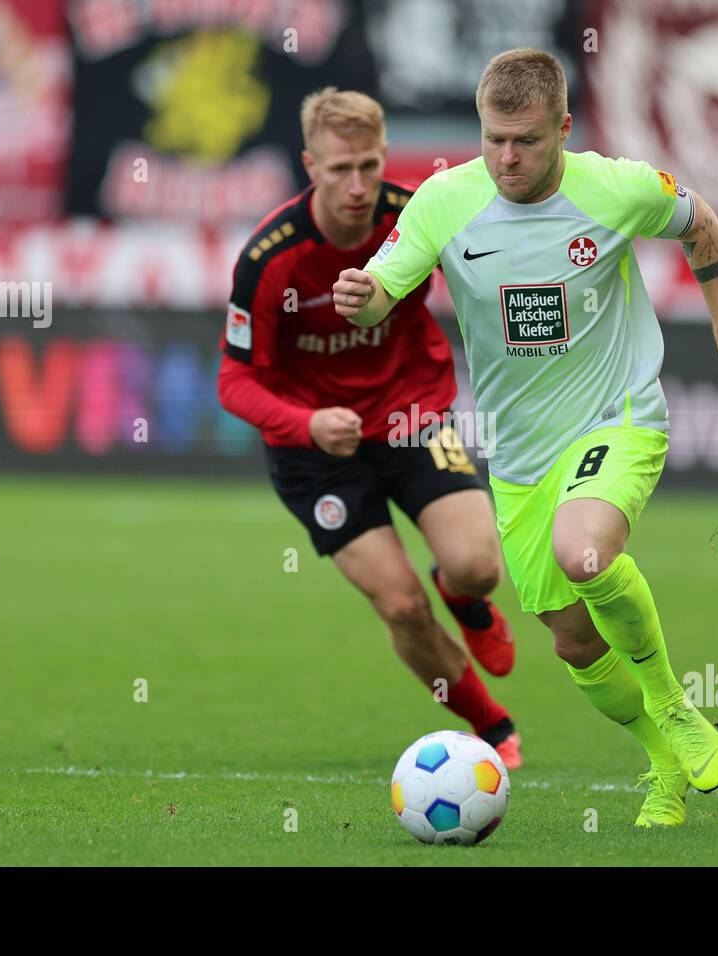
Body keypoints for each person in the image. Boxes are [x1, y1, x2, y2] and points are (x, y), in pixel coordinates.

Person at [332, 50, 718, 825]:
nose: (506, 158)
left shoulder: (617, 189)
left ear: (564, 130)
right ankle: (663, 762)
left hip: (618, 417)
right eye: (493, 138)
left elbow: (699, 222)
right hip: (520, 455)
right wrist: (359, 297)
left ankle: (674, 703)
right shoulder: (446, 201)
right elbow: (382, 290)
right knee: (574, 642)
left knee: (586, 551)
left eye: (527, 141)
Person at [218, 88, 522, 768]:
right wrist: (306, 422)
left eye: (370, 165)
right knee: (404, 608)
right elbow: (233, 382)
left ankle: (463, 597)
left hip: (414, 412)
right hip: (317, 452)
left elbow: (488, 277)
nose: (358, 186)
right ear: (309, 166)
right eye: (339, 170)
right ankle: (493, 728)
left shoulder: (416, 214)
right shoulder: (270, 257)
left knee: (477, 566)